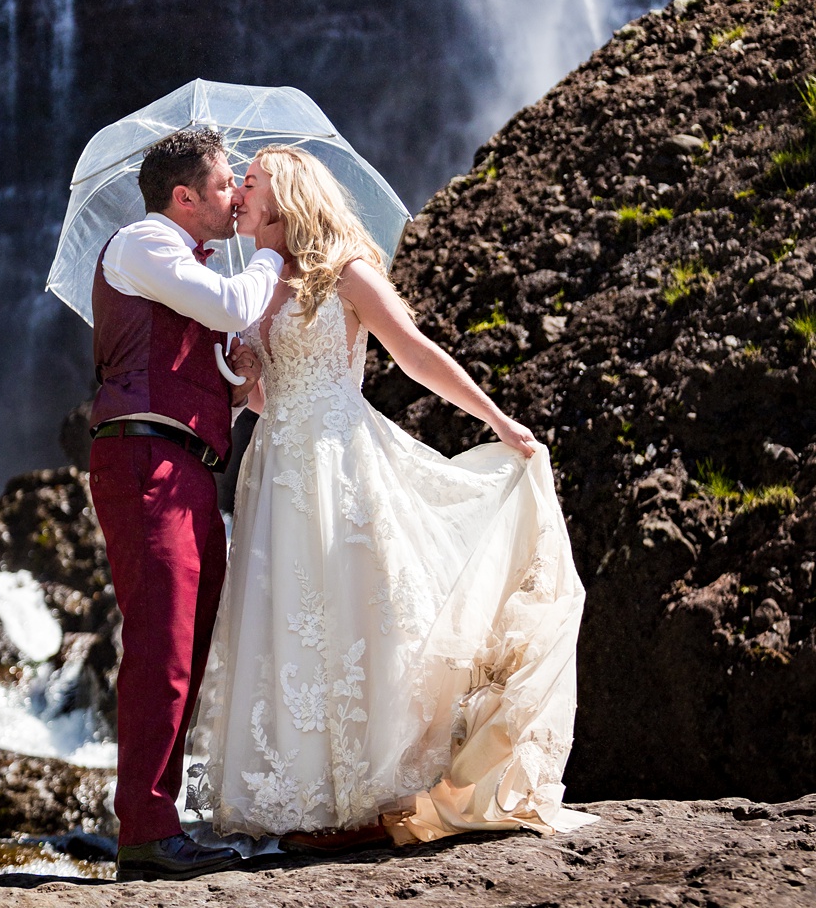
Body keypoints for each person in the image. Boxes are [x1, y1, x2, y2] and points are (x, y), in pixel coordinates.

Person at [188, 146, 593, 850]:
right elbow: (260, 399)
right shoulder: (253, 284)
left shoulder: (343, 271)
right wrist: (244, 372)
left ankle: (369, 802)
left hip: (339, 463)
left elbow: (415, 353)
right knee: (290, 626)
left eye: (249, 184)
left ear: (287, 195)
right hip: (277, 467)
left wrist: (498, 421)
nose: (238, 197)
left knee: (357, 620)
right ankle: (316, 803)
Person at [87, 128, 285, 882]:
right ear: (184, 196)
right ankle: (144, 832)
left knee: (191, 641)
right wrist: (274, 251)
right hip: (146, 459)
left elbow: (205, 381)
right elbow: (233, 303)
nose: (236, 195)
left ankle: (157, 823)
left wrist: (235, 380)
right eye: (227, 182)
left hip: (190, 466)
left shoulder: (183, 267)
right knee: (163, 643)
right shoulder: (144, 242)